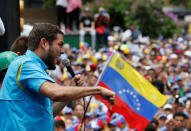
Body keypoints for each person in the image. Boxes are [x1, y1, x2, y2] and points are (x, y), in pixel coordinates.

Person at [0, 23, 115, 131]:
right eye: (59, 45)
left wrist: (72, 89)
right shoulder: (26, 64)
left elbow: (48, 113)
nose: (62, 51)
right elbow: (55, 93)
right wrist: (97, 90)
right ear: (44, 43)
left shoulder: (35, 67)